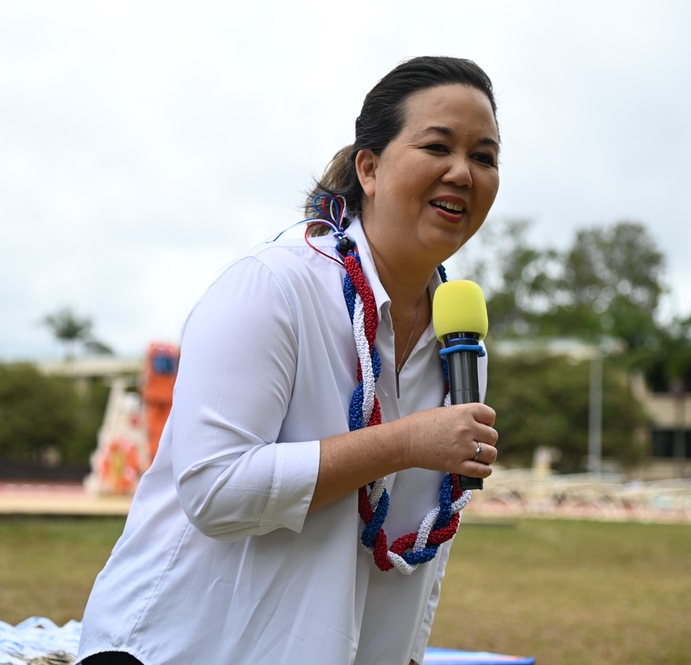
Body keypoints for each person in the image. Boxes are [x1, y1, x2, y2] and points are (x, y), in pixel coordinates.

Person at [77, 55, 501, 665]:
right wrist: (404, 443)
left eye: (485, 157)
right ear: (370, 167)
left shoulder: (460, 341)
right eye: (439, 146)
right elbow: (216, 489)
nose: (463, 172)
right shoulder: (273, 287)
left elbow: (418, 540)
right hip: (177, 650)